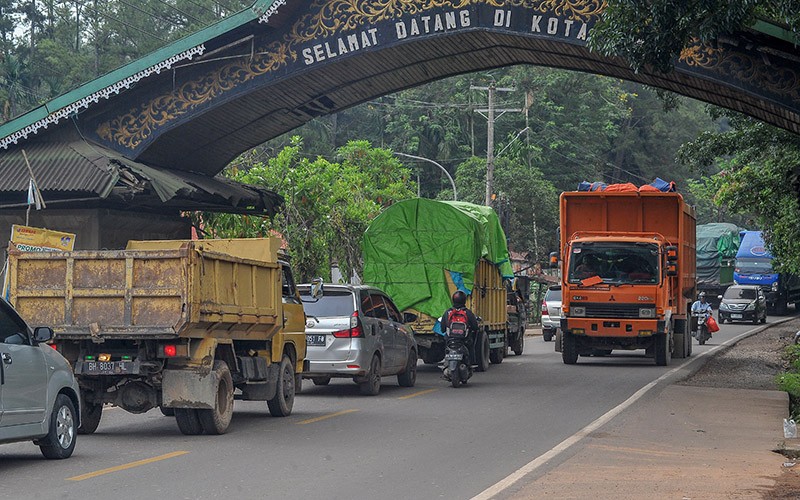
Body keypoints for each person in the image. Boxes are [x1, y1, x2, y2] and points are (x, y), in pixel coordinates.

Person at [439, 290, 480, 362]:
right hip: (464, 340)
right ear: (464, 300)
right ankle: (472, 362)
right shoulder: (467, 312)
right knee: (471, 346)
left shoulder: (448, 312)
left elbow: (442, 329)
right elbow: (475, 327)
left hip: (450, 340)